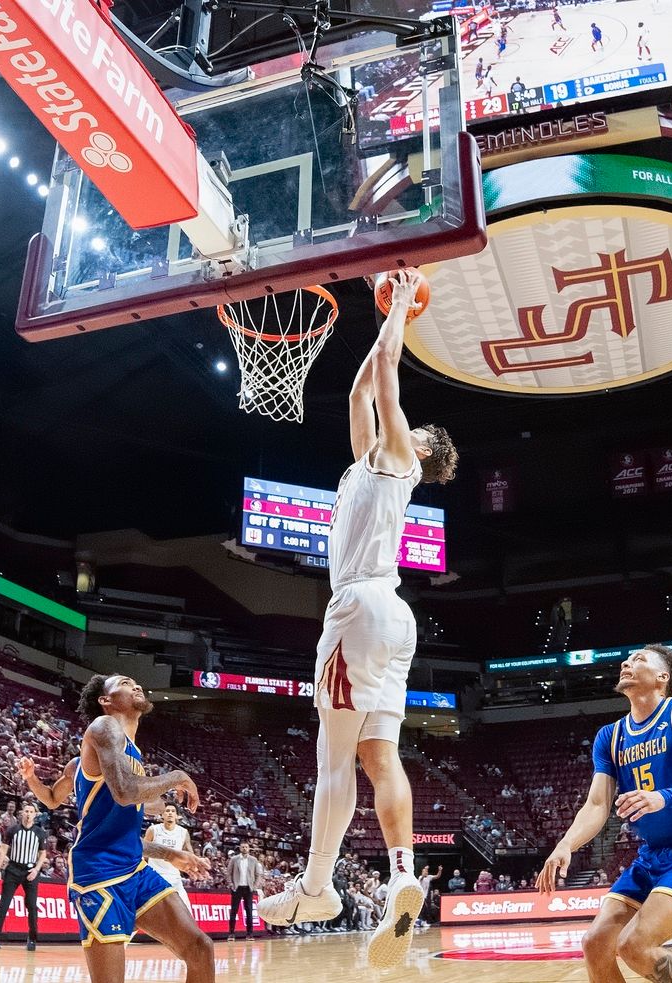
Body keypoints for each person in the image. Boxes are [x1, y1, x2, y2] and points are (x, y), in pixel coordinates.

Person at [257, 270, 460, 971]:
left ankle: (318, 888)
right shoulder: (366, 466)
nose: (410, 425)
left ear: (426, 450)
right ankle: (403, 872)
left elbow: (388, 381)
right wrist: (381, 333)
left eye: (421, 429)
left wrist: (399, 308)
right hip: (392, 618)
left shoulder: (402, 457)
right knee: (380, 756)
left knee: (333, 758)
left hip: (360, 607)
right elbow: (361, 389)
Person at [535, 644, 672, 983]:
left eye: (638, 659)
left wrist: (663, 798)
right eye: (625, 659)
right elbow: (597, 805)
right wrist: (565, 844)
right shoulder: (610, 737)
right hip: (651, 857)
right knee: (595, 944)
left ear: (662, 677)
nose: (626, 662)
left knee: (634, 945)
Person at [62, 674, 213, 982]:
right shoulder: (104, 727)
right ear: (106, 701)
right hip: (98, 875)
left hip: (134, 869)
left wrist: (171, 855)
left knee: (200, 947)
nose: (136, 685)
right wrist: (178, 776)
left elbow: (124, 833)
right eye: (125, 682)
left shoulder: (132, 754)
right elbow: (125, 792)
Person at [0, 801, 47, 951]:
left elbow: (43, 854)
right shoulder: (12, 830)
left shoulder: (40, 833)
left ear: (35, 815)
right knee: (4, 904)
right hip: (13, 869)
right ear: (22, 813)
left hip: (30, 872)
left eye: (31, 812)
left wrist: (36, 870)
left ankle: (32, 939)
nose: (28, 814)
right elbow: (3, 850)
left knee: (32, 906)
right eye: (26, 811)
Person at [146, 803, 196, 911]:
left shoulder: (183, 832)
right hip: (156, 876)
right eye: (167, 811)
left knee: (187, 911)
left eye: (173, 811)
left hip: (174, 877)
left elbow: (189, 853)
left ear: (177, 816)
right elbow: (143, 852)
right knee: (157, 913)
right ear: (162, 815)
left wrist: (196, 861)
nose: (170, 813)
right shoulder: (153, 830)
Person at [228, 841, 263, 940]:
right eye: (242, 847)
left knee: (249, 911)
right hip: (237, 888)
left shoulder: (253, 860)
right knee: (234, 911)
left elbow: (258, 874)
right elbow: (228, 873)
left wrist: (254, 886)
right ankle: (231, 933)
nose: (244, 849)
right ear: (240, 848)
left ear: (249, 849)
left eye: (246, 847)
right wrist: (231, 885)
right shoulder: (234, 859)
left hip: (248, 888)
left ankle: (249, 934)